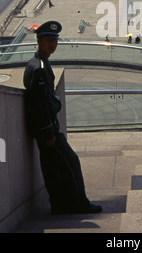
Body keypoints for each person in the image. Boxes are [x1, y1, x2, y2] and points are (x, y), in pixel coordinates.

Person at [23, 21, 102, 215]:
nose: (52, 44)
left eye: (54, 40)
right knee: (71, 162)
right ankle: (80, 203)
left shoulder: (36, 63)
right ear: (39, 41)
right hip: (48, 131)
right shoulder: (40, 67)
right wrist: (48, 132)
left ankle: (59, 205)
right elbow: (40, 104)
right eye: (49, 40)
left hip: (45, 129)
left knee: (52, 168)